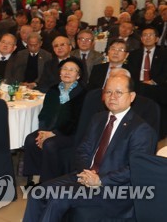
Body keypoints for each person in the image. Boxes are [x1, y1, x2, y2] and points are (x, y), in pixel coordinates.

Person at [23, 74, 157, 221]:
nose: (112, 97)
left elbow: (135, 169)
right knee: (37, 192)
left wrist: (100, 180)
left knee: (58, 198)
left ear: (131, 96)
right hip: (85, 177)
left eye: (118, 92)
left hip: (114, 188)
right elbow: (83, 150)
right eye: (108, 92)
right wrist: (86, 173)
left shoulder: (141, 130)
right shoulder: (98, 118)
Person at [23, 58, 86, 184]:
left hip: (70, 133)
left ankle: (48, 181)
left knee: (50, 144)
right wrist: (42, 132)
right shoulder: (53, 90)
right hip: (49, 129)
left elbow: (76, 121)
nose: (67, 72)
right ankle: (35, 178)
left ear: (78, 76)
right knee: (30, 139)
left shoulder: (82, 94)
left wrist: (53, 133)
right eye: (64, 69)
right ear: (60, 72)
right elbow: (45, 114)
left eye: (72, 70)